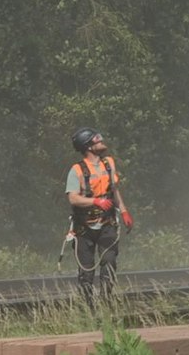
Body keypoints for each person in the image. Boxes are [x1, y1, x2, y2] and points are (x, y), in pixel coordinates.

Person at [63, 127, 130, 305]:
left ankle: (106, 304)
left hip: (107, 224)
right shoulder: (76, 170)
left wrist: (123, 211)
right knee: (86, 273)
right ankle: (89, 309)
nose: (101, 141)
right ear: (88, 146)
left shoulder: (109, 164)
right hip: (84, 228)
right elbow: (73, 198)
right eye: (97, 140)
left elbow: (114, 191)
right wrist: (96, 202)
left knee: (109, 264)